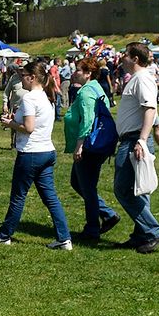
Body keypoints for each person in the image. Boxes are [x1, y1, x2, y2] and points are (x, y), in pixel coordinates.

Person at [0, 61, 71, 250]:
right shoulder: (46, 97)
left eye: (23, 76)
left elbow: (28, 128)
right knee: (51, 198)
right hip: (47, 151)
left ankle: (4, 235)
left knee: (18, 197)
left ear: (33, 77)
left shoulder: (30, 98)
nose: (21, 79)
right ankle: (64, 238)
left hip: (31, 153)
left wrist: (9, 124)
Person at [113, 42, 159, 253]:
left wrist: (142, 140)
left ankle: (154, 230)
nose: (121, 58)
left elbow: (150, 109)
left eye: (125, 55)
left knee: (123, 190)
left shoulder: (142, 78)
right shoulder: (137, 78)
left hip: (134, 140)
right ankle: (141, 235)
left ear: (135, 58)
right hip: (132, 139)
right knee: (139, 191)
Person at [63, 57, 119, 242]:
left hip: (90, 145)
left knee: (86, 186)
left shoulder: (87, 92)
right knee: (78, 182)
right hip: (99, 144)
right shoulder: (96, 86)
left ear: (88, 74)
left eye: (78, 70)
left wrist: (79, 144)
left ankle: (93, 229)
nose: (74, 73)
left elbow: (87, 120)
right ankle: (106, 215)